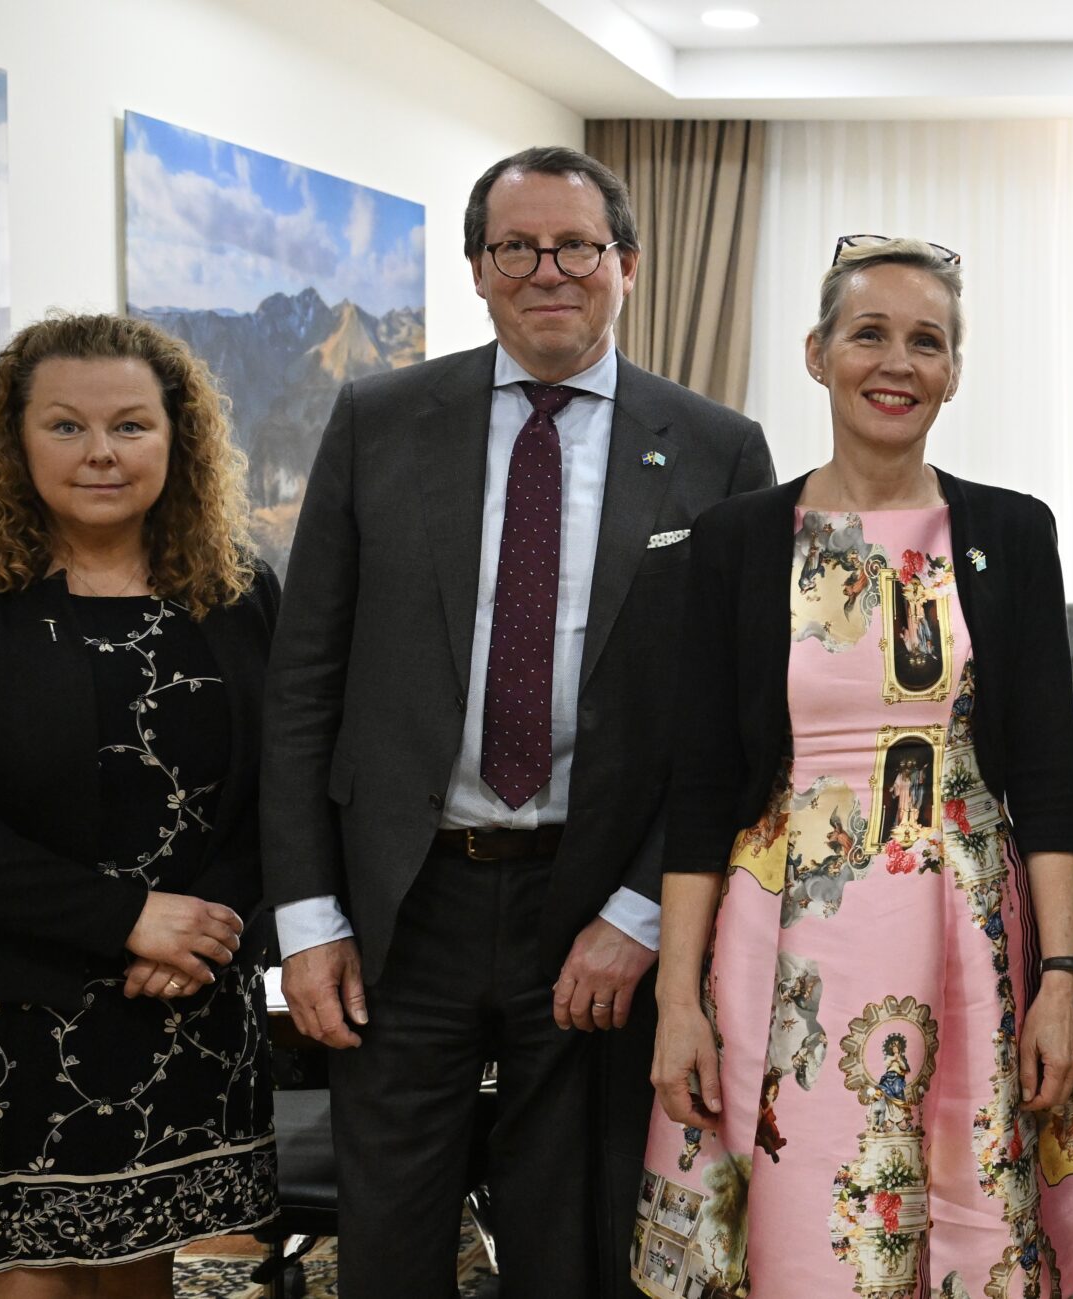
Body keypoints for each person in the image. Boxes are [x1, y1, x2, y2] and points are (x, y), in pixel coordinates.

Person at [261, 145, 775, 1295]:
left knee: (571, 1245)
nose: (548, 271)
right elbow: (303, 685)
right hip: (404, 905)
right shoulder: (379, 420)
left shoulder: (717, 448)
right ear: (478, 269)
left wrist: (641, 914)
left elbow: (738, 721)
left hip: (592, 908)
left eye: (576, 247)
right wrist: (306, 917)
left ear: (627, 264)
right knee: (390, 1246)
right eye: (516, 247)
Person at [647, 236, 1073, 1298]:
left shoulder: (1010, 531)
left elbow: (1049, 783)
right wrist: (677, 1000)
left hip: (966, 932)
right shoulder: (737, 538)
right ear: (817, 353)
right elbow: (698, 786)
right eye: (868, 334)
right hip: (782, 941)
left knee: (968, 1225)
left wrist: (1061, 978)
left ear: (953, 372)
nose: (897, 363)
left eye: (927, 341)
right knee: (800, 1233)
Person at [0, 313, 279, 1292]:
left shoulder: (240, 590)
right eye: (65, 425)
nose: (101, 452)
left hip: (178, 995)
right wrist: (130, 918)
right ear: (15, 440)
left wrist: (207, 928)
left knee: (142, 1273)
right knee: (32, 1277)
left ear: (177, 438)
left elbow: (278, 786)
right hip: (1, 1003)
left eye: (131, 425)